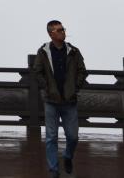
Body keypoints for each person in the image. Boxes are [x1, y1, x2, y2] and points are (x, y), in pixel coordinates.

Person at [32, 20, 88, 177]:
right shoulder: (43, 52)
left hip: (69, 101)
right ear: (51, 34)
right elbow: (37, 72)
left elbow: (82, 71)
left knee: (73, 136)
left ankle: (68, 157)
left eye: (63, 29)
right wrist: (47, 87)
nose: (63, 31)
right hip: (51, 101)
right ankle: (53, 170)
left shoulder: (74, 51)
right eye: (59, 30)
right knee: (51, 137)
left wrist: (75, 88)